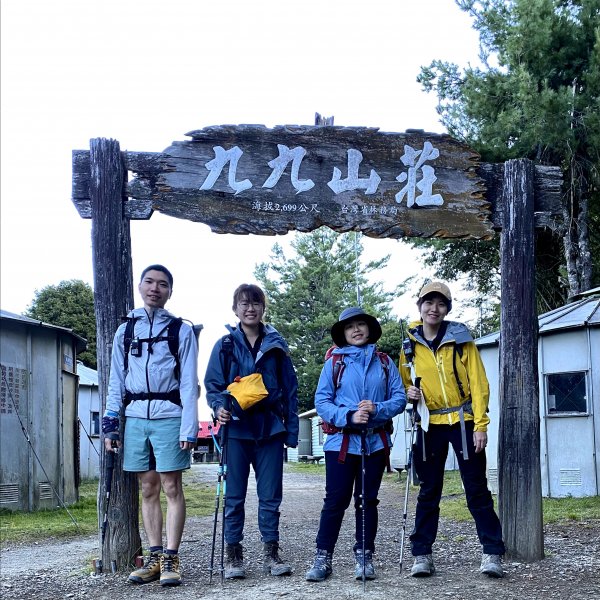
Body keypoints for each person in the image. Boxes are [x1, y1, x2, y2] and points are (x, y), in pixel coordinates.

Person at [399, 281, 505, 578]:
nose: (434, 309)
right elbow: (403, 381)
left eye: (441, 303)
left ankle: (492, 552)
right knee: (429, 490)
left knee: (476, 490)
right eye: (428, 303)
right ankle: (421, 554)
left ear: (447, 308)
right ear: (419, 306)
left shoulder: (460, 338)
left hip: (464, 422)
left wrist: (481, 424)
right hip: (428, 423)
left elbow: (478, 382)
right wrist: (410, 393)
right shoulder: (408, 344)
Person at [102, 265, 199, 587]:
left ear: (170, 290)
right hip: (136, 417)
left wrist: (190, 428)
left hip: (169, 415)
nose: (155, 288)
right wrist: (110, 424)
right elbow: (115, 380)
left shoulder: (180, 330)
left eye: (163, 284)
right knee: (147, 488)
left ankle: (171, 558)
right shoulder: (125, 331)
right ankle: (154, 558)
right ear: (140, 286)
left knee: (171, 486)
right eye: (149, 282)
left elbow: (188, 382)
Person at [204, 283, 299, 579]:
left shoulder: (277, 346)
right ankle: (234, 554)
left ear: (263, 308)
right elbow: (213, 385)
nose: (250, 308)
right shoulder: (225, 345)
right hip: (235, 430)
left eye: (255, 303)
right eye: (244, 303)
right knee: (234, 495)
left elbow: (291, 390)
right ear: (235, 309)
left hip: (270, 429)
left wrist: (292, 432)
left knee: (270, 496)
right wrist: (218, 406)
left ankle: (271, 552)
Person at [305, 307, 406, 582]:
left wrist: (377, 409)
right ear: (344, 333)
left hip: (374, 444)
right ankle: (323, 558)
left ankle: (364, 556)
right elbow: (322, 402)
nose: (356, 330)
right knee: (335, 501)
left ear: (370, 330)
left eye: (361, 325)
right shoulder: (333, 363)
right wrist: (348, 415)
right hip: (340, 444)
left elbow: (399, 398)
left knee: (367, 501)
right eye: (350, 327)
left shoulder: (385, 362)